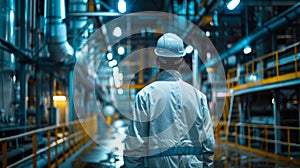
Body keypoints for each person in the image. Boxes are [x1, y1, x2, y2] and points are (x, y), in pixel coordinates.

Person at [123, 33, 215, 168]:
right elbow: (208, 145)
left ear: (158, 61)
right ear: (182, 62)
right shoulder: (199, 97)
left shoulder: (145, 96)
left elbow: (134, 147)